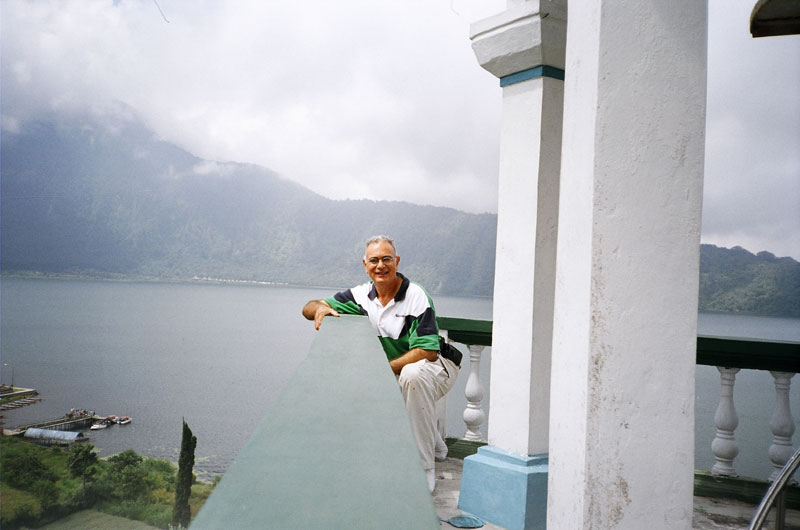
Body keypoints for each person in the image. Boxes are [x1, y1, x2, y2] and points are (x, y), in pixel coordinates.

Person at [302, 235, 460, 493]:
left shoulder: (416, 296)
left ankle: (424, 467)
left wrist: (382, 369)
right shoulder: (361, 296)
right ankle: (434, 441)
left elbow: (427, 351)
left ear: (396, 262)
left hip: (440, 368)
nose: (380, 265)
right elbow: (307, 307)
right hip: (406, 370)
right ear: (365, 265)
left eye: (387, 259)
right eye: (374, 260)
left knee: (412, 376)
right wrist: (319, 308)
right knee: (400, 379)